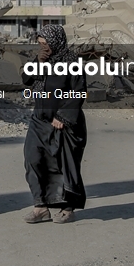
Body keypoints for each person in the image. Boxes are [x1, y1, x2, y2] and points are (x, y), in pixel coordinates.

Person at [22, 24, 87, 224]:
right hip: (38, 120)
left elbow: (79, 92)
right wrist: (37, 62)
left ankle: (68, 208)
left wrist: (63, 116)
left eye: (46, 44)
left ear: (57, 42)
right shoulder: (42, 60)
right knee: (33, 159)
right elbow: (25, 79)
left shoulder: (72, 62)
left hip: (62, 124)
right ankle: (40, 207)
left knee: (64, 166)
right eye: (40, 44)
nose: (44, 48)